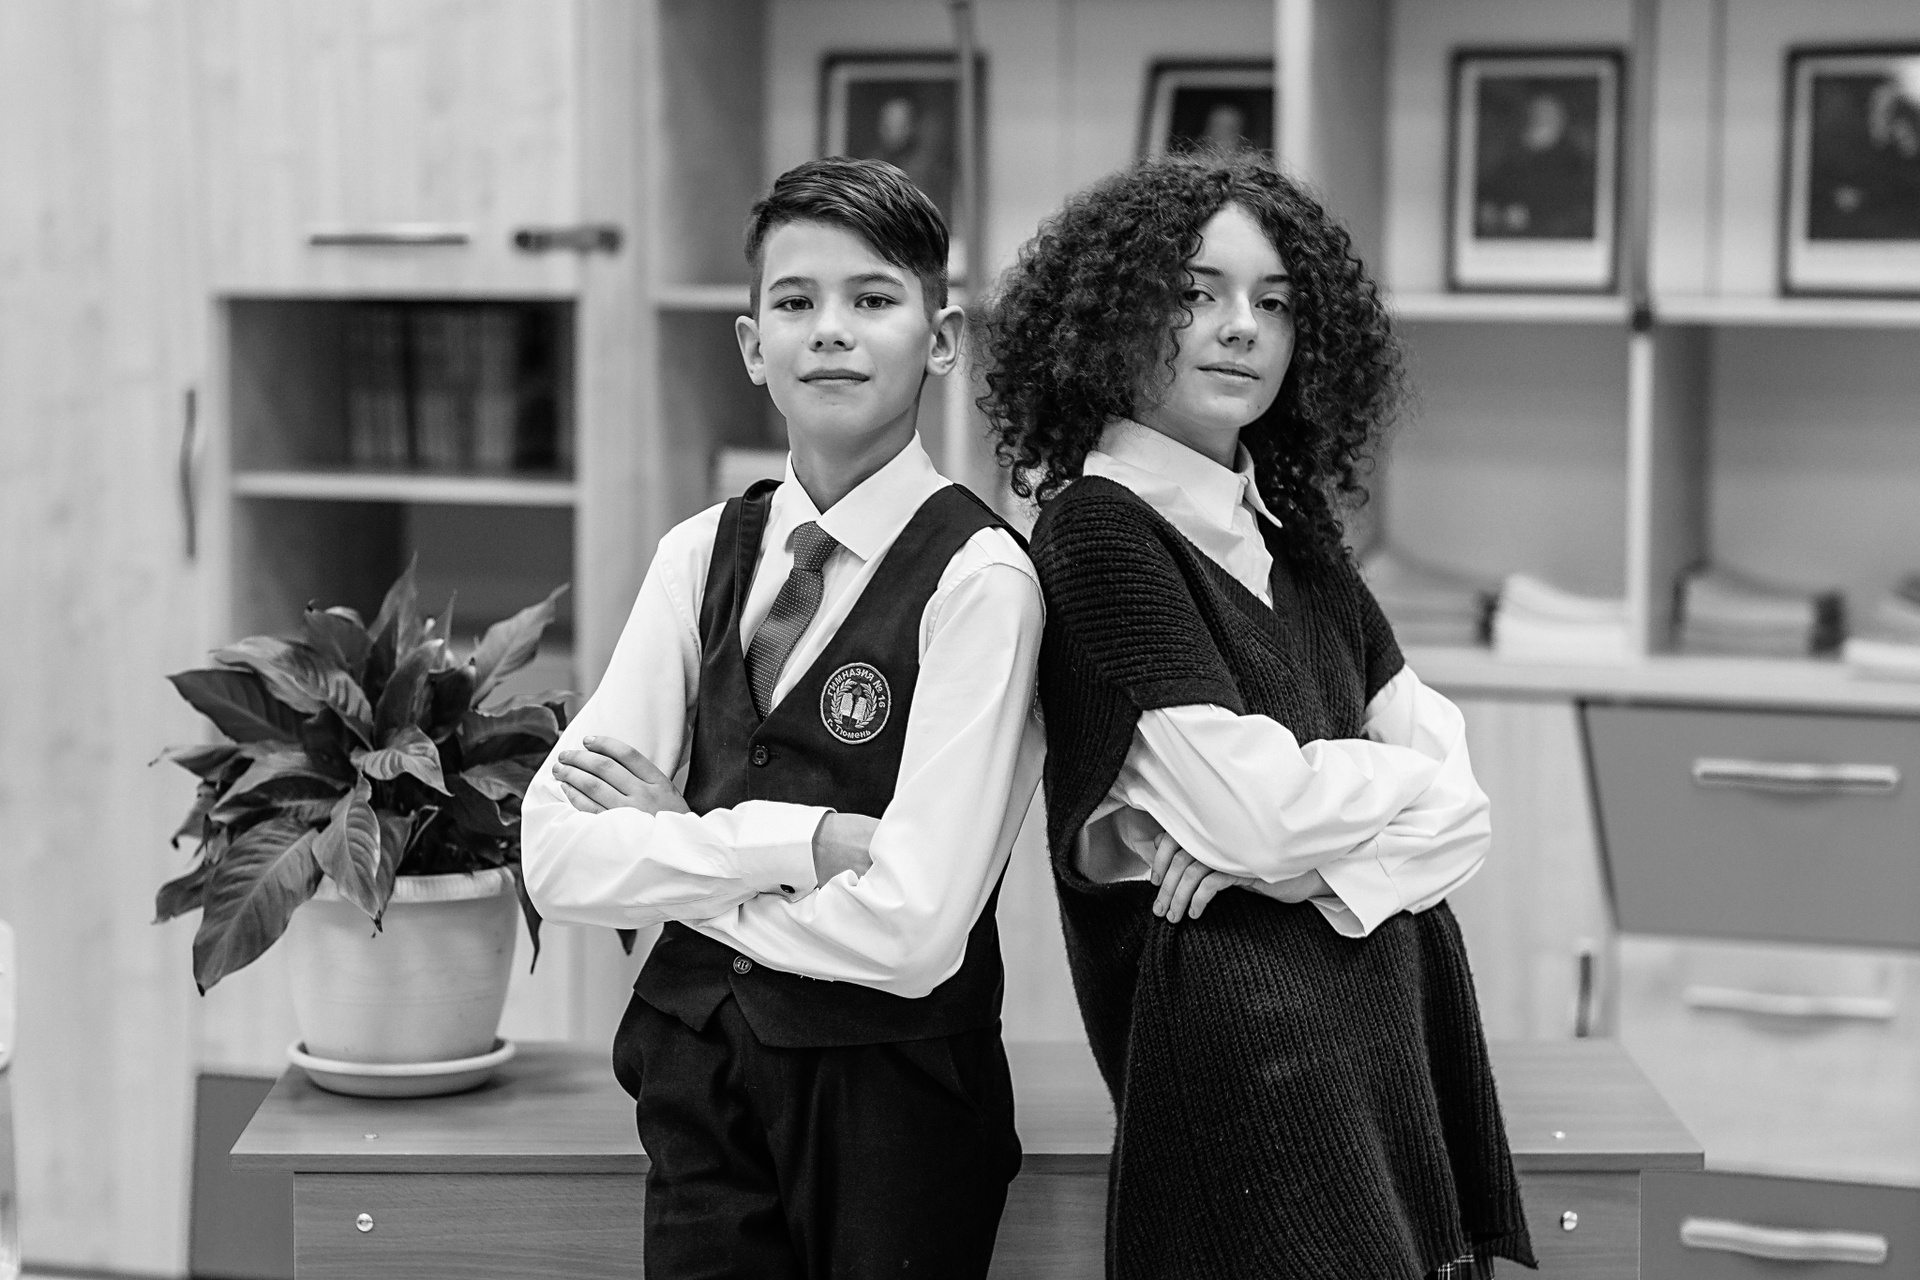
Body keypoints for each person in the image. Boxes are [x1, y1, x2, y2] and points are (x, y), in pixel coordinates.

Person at [972, 151, 1536, 1279]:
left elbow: (1463, 810)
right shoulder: (1100, 531)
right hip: (1249, 1075)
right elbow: (1257, 813)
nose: (1241, 328)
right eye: (1196, 293)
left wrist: (1301, 871)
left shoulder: (1296, 541)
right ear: (1111, 316)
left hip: (1389, 1044)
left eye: (1274, 303)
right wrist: (1368, 810)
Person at [522, 156, 1042, 1280]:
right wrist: (800, 843)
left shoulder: (982, 580)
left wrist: (678, 845)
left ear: (942, 338)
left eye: (874, 298)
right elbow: (556, 856)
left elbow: (912, 933)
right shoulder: (697, 554)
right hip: (697, 1082)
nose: (832, 331)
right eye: (797, 302)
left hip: (895, 1105)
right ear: (755, 347)